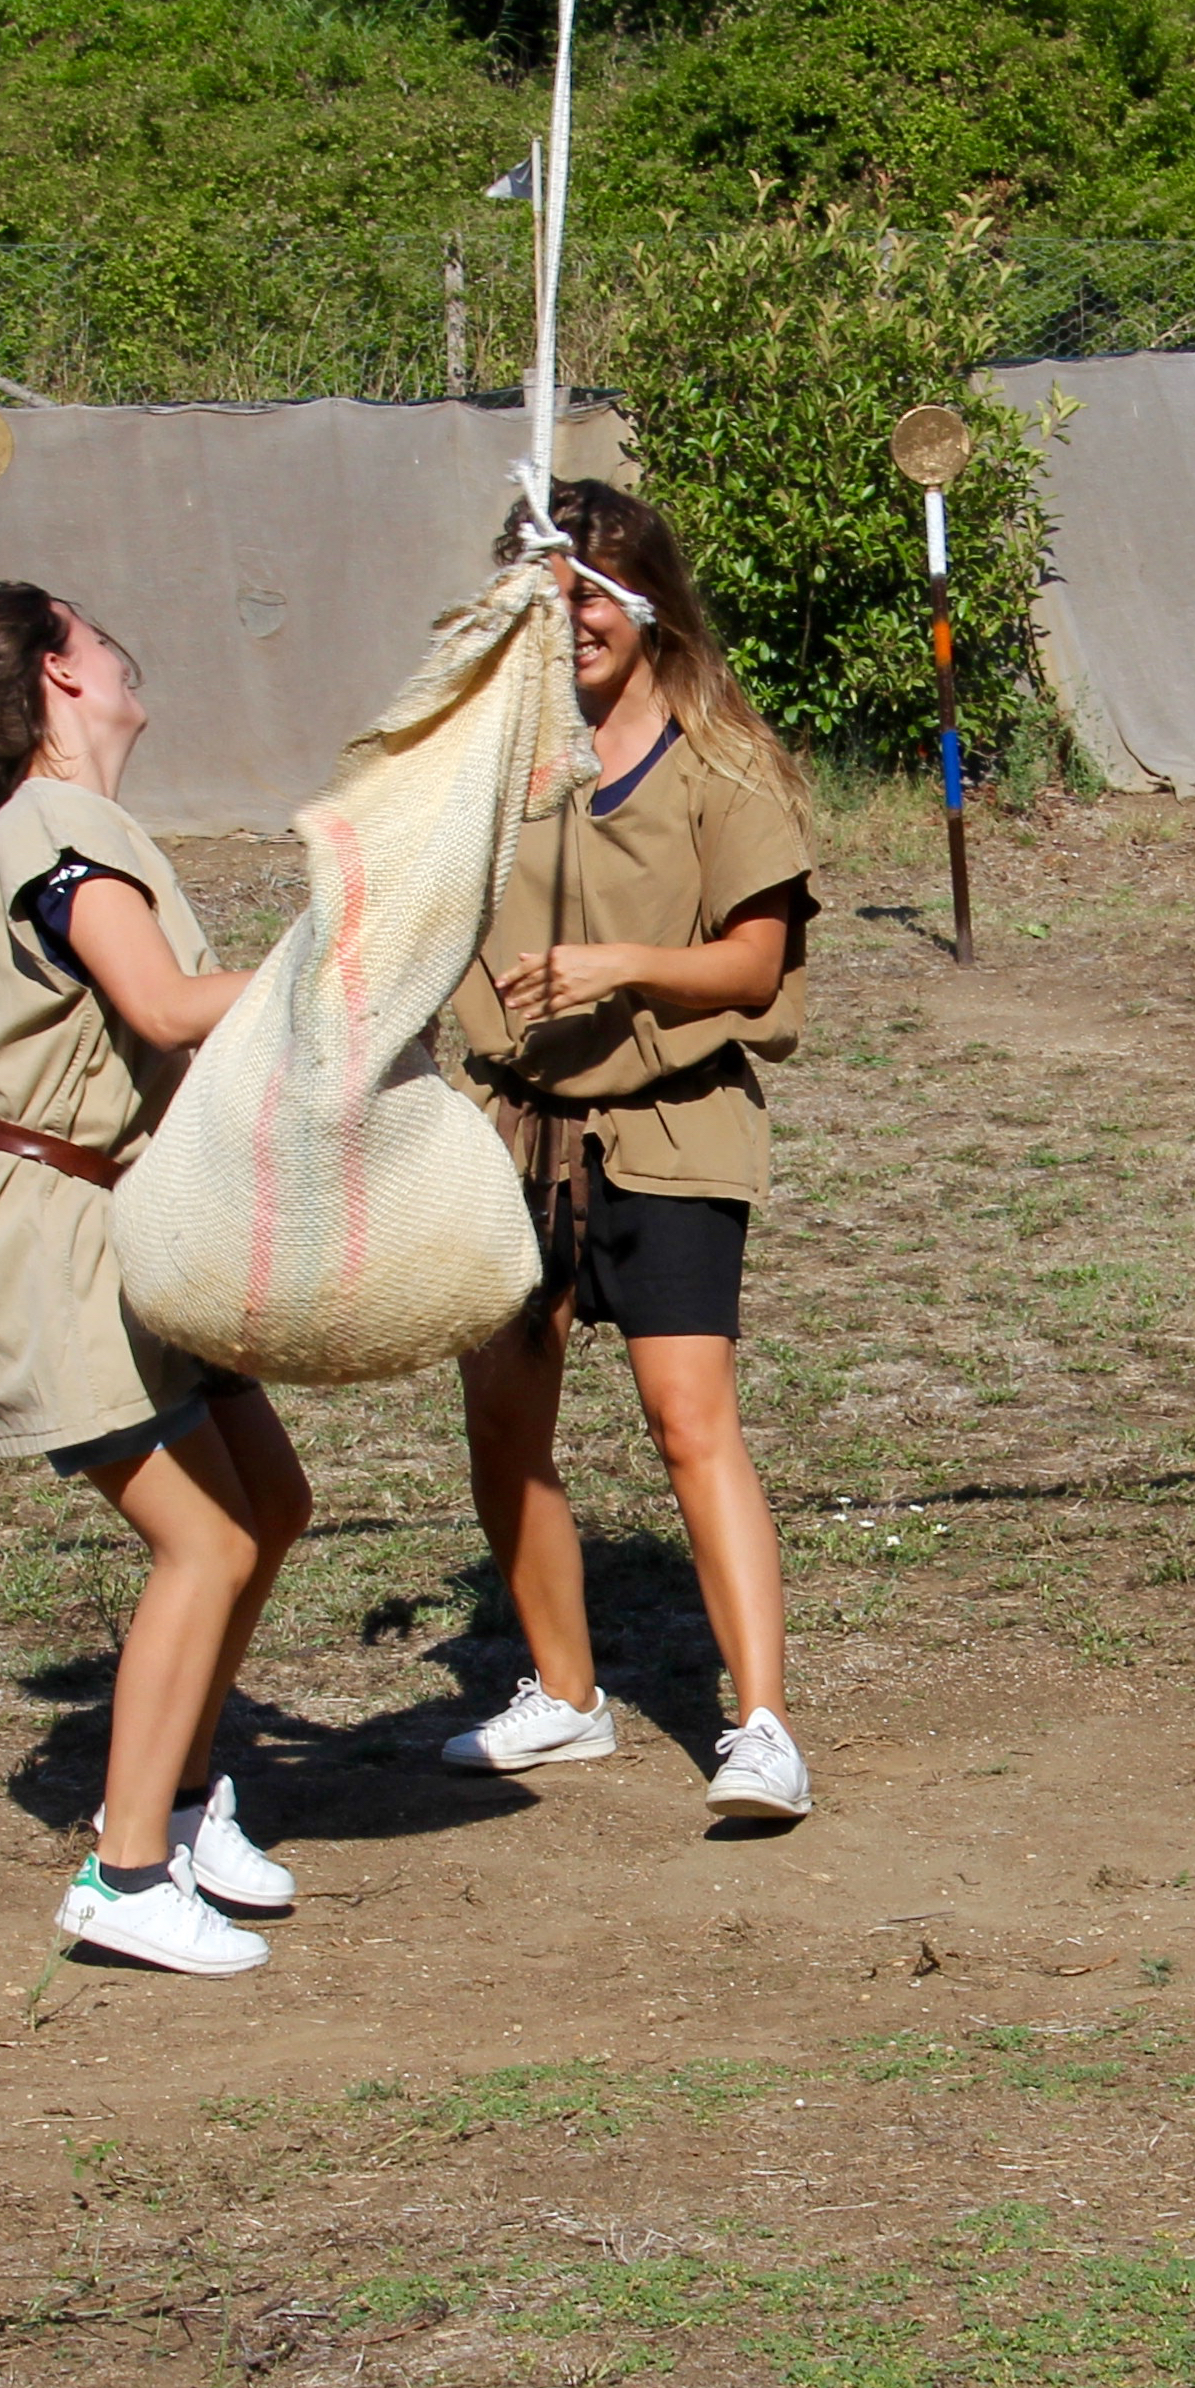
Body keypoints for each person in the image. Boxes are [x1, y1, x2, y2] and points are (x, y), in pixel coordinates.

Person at [0, 582, 316, 1978]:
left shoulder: (89, 828)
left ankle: (184, 1815)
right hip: (43, 1232)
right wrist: (346, 969)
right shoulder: (56, 830)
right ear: (62, 675)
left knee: (269, 1506)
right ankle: (124, 1876)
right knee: (205, 1541)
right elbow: (165, 1006)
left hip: (122, 1220)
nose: (129, 644)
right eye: (95, 629)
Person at [436, 480, 822, 1820]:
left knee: (688, 1422)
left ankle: (762, 1726)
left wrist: (622, 967)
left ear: (649, 603)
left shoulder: (725, 764)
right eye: (546, 597)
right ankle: (566, 1694)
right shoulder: (489, 758)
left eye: (595, 591)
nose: (574, 620)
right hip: (512, 1132)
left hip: (671, 1127)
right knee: (502, 1422)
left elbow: (756, 963)